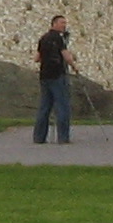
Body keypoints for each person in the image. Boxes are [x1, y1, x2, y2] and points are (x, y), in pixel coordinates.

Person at [34, 15, 77, 145]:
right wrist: (74, 66)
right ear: (54, 24)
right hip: (58, 74)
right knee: (62, 106)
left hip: (45, 75)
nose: (64, 25)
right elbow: (66, 56)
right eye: (62, 23)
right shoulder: (59, 39)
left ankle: (39, 137)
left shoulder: (43, 38)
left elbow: (37, 58)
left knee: (45, 107)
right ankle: (63, 137)